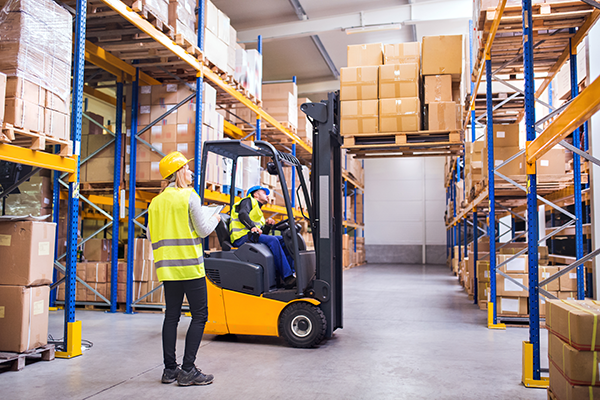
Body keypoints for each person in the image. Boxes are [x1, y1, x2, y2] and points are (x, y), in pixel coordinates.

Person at [147, 151, 220, 387]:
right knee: (200, 316)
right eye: (187, 168)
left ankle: (170, 370)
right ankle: (188, 369)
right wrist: (217, 218)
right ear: (179, 172)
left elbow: (150, 234)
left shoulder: (155, 203)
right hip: (190, 267)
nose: (190, 171)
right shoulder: (189, 196)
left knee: (171, 317)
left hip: (168, 269)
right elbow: (202, 229)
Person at [229, 185, 296, 288]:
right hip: (241, 238)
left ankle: (293, 272)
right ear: (255, 194)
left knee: (285, 240)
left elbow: (262, 233)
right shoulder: (247, 201)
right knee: (273, 240)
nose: (267, 196)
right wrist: (252, 227)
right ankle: (287, 278)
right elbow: (242, 214)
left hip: (251, 236)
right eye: (264, 193)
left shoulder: (258, 210)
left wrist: (268, 226)